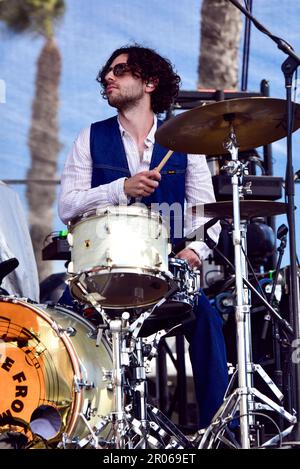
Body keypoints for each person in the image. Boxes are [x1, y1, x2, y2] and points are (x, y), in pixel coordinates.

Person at [58, 44, 228, 429]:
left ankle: (220, 429)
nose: (108, 78)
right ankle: (76, 426)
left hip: (163, 273)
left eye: (120, 71)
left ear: (150, 82)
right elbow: (67, 206)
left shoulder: (184, 144)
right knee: (63, 320)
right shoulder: (90, 137)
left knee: (206, 318)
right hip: (99, 276)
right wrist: (121, 188)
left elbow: (209, 217)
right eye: (108, 72)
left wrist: (194, 252)